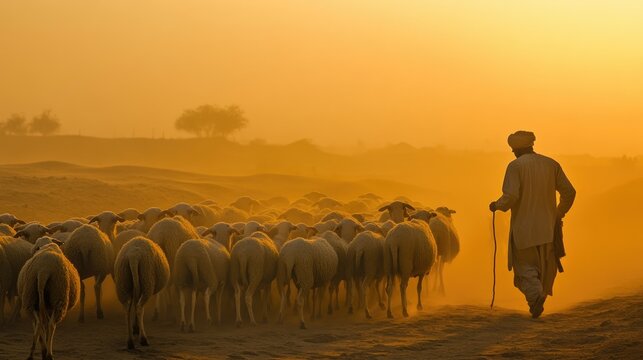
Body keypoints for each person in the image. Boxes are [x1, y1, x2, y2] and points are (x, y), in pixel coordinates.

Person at [489, 131, 576, 318]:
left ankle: (535, 298)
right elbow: (569, 192)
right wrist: (558, 213)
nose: (513, 153)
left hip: (524, 230)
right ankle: (539, 295)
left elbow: (511, 196)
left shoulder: (515, 166)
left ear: (516, 150)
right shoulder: (551, 164)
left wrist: (497, 205)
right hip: (548, 230)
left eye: (513, 150)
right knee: (544, 267)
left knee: (526, 268)